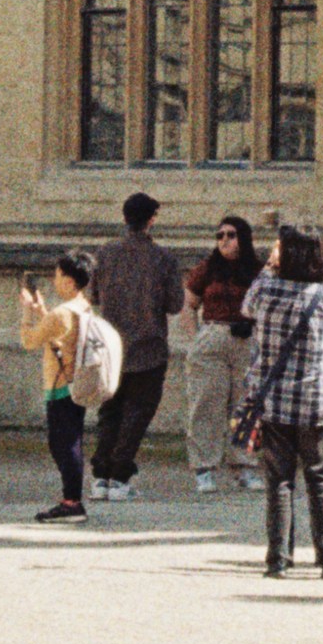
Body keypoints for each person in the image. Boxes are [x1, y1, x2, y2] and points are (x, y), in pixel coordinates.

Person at [240, 223, 323, 576]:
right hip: (318, 400)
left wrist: (269, 267)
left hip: (275, 402)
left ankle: (278, 560)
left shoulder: (266, 288)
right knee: (322, 480)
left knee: (279, 482)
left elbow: (246, 309)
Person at [84, 192, 186, 496]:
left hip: (111, 346)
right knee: (137, 413)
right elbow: (175, 304)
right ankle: (120, 474)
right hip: (148, 347)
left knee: (110, 412)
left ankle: (101, 474)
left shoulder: (104, 253)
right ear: (151, 220)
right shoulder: (163, 258)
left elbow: (93, 296)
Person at [28, 252, 120, 523]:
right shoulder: (83, 308)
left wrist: (26, 313)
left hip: (59, 386)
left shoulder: (61, 313)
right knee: (71, 441)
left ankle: (71, 502)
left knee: (63, 445)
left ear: (68, 281)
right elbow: (62, 337)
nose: (54, 280)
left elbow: (30, 340)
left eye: (57, 275)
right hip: (75, 383)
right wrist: (41, 312)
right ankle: (71, 500)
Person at [172, 215, 261, 494]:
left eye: (231, 235)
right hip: (213, 338)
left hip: (246, 341)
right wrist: (196, 337)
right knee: (206, 404)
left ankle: (244, 467)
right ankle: (204, 469)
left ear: (243, 238)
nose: (224, 240)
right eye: (220, 235)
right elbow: (188, 304)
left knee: (245, 405)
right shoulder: (208, 268)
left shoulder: (258, 270)